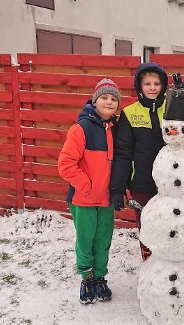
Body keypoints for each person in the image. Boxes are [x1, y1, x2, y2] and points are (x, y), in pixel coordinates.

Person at [110, 62, 184, 261]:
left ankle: (170, 271)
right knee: (149, 230)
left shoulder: (171, 106)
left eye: (157, 83)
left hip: (171, 185)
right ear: (139, 86)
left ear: (163, 85)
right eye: (147, 84)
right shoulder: (129, 112)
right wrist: (118, 188)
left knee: (172, 228)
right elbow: (123, 153)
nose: (152, 88)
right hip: (142, 184)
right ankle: (151, 270)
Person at [57, 78, 121, 304]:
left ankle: (100, 277)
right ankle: (87, 278)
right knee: (85, 240)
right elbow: (66, 165)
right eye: (104, 97)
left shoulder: (116, 129)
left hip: (106, 200)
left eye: (114, 99)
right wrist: (86, 186)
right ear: (95, 101)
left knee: (103, 240)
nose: (109, 102)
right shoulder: (80, 129)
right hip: (83, 199)